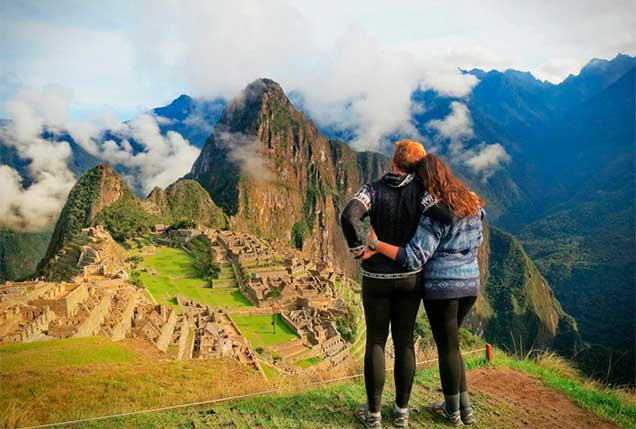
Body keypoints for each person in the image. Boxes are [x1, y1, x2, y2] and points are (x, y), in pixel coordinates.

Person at [364, 154, 484, 426]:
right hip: (470, 283)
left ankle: (452, 413)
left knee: (447, 348)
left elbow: (413, 257)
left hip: (443, 287)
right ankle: (464, 409)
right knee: (452, 346)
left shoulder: (434, 214)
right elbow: (479, 237)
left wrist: (376, 244)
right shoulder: (473, 202)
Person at [340, 140, 452, 429]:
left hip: (376, 277)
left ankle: (374, 414)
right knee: (404, 341)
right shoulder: (422, 193)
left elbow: (348, 216)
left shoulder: (372, 190)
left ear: (394, 161)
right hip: (409, 277)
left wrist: (358, 250)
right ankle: (401, 411)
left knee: (376, 340)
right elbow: (446, 217)